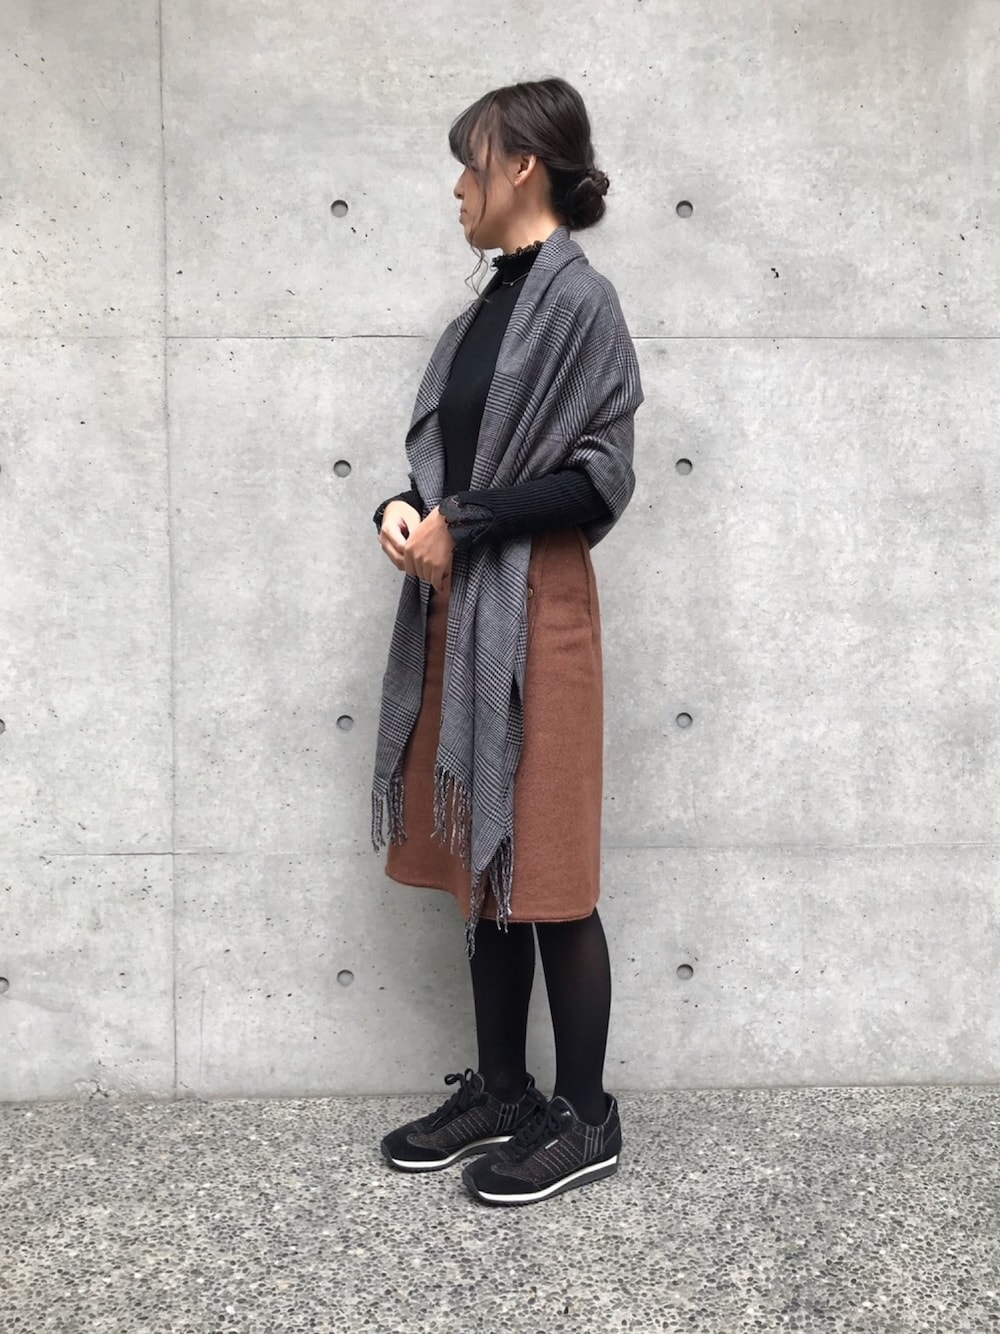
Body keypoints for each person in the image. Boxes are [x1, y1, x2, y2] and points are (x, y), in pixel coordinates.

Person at [370, 76, 644, 1206]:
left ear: (521, 163)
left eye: (468, 161)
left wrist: (468, 519)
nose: (456, 186)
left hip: (538, 608)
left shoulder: (583, 303)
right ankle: (501, 1088)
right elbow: (446, 468)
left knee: (549, 865)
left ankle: (586, 1115)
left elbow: (599, 477)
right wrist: (399, 510)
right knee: (480, 859)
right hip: (463, 608)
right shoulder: (479, 311)